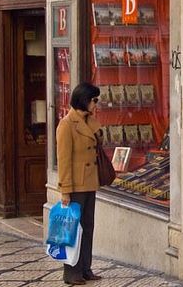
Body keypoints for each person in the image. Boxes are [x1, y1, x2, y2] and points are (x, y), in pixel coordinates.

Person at [56, 82, 104, 285]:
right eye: (94, 100)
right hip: (75, 186)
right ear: (84, 99)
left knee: (88, 227)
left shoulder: (88, 121)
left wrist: (90, 119)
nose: (96, 104)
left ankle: (85, 268)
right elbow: (64, 160)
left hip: (89, 184)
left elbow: (98, 137)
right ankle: (71, 272)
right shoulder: (67, 125)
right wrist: (65, 191)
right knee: (73, 230)